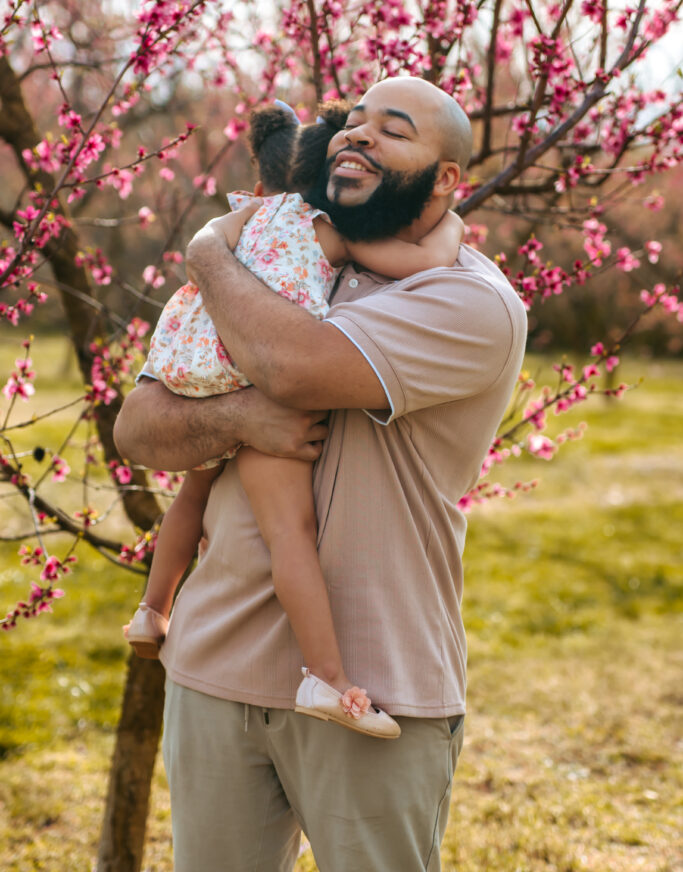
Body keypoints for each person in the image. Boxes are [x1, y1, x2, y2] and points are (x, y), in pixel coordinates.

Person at [114, 76, 528, 872]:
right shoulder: (269, 263)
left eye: (394, 130)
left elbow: (293, 366)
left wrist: (206, 250)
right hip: (214, 667)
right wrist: (235, 416)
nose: (358, 136)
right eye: (353, 122)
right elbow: (139, 427)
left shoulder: (467, 301)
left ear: (447, 179)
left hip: (373, 684)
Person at [123, 99, 464, 741]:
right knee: (290, 532)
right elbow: (423, 264)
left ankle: (150, 610)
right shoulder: (324, 227)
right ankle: (328, 677)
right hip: (256, 374)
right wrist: (454, 231)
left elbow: (205, 252)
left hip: (192, 362)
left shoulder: (244, 217)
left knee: (192, 493)